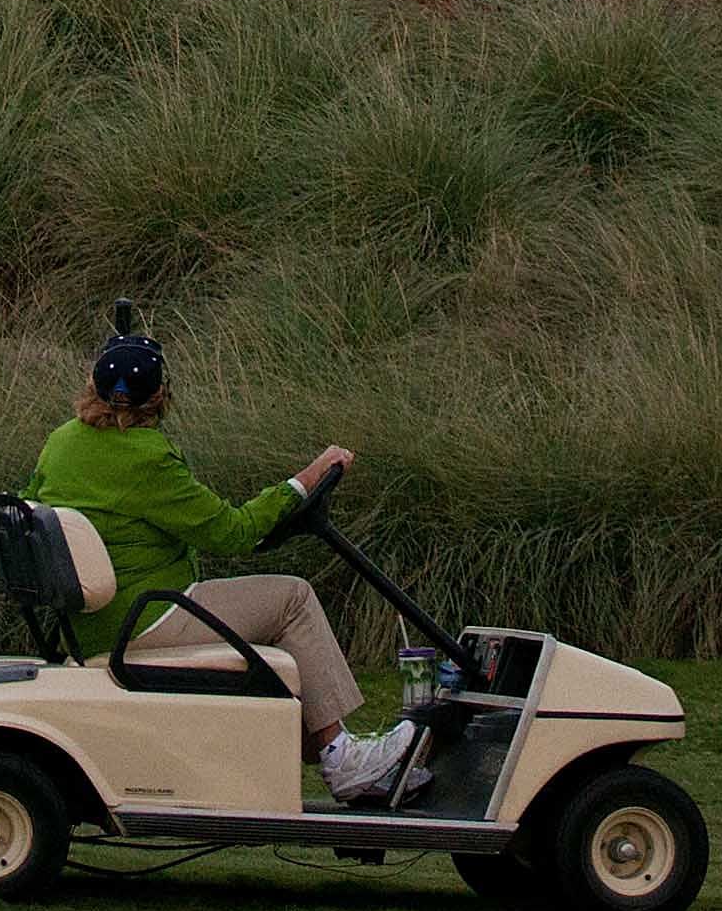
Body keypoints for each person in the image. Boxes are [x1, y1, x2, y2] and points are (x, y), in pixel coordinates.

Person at [23, 317, 423, 808]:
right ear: (158, 396)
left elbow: (32, 503)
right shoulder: (147, 457)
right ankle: (341, 757)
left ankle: (322, 746)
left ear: (95, 387)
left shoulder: (61, 442)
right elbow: (231, 532)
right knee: (292, 598)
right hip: (146, 617)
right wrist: (304, 482)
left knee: (265, 604)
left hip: (90, 624)